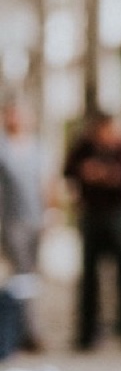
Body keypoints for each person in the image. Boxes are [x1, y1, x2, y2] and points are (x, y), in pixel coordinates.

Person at [63, 109, 121, 351]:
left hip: (117, 215)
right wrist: (86, 172)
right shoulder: (85, 147)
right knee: (89, 276)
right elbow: (68, 169)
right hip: (91, 215)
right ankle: (87, 333)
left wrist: (112, 176)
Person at [0, 99, 48, 357]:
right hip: (10, 220)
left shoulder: (37, 147)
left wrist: (49, 212)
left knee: (30, 276)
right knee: (21, 275)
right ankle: (24, 331)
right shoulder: (3, 147)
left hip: (34, 219)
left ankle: (24, 329)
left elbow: (44, 182)